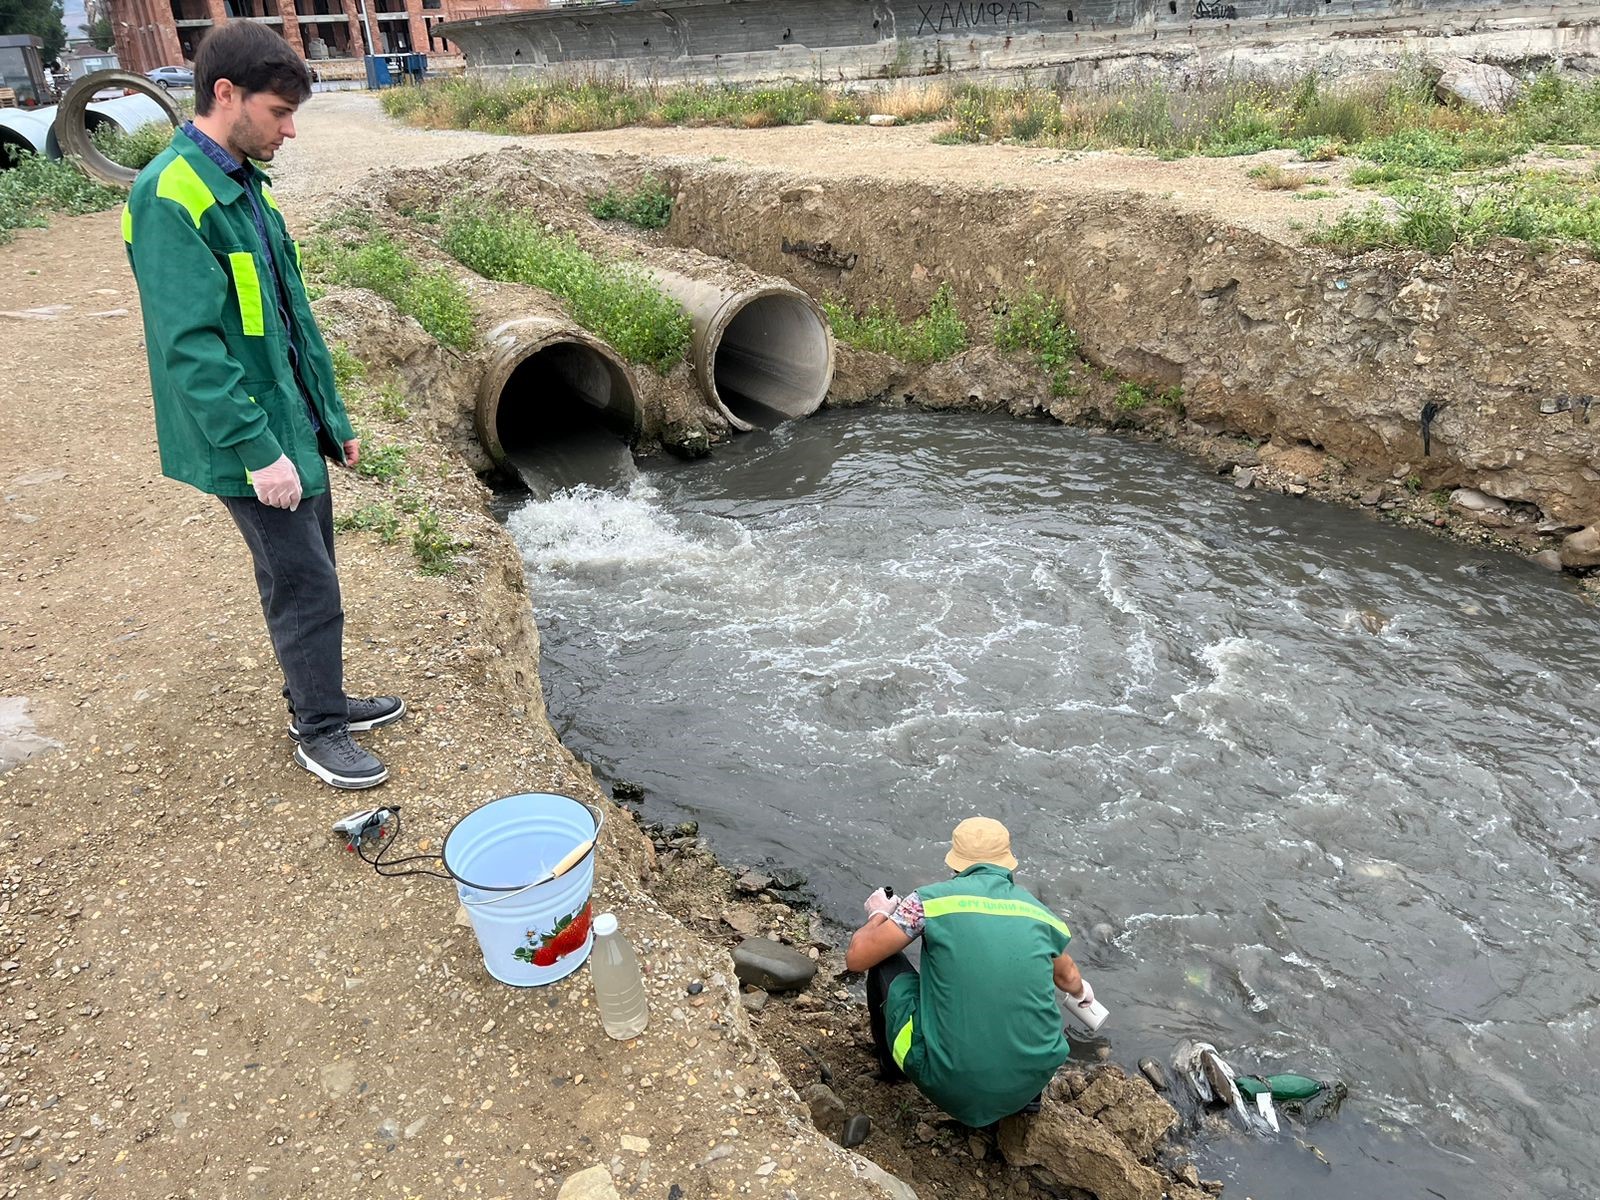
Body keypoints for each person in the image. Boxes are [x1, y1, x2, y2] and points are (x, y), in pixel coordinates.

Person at [122, 21, 402, 790]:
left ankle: (321, 695)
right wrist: (257, 450)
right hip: (248, 439)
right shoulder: (172, 195)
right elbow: (193, 351)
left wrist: (329, 422)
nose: (289, 128)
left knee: (311, 570)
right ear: (225, 94)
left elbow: (289, 320)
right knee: (304, 583)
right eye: (279, 112)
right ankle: (318, 730)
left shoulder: (244, 182)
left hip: (289, 424)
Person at [844, 816, 1095, 1128]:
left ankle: (894, 1070)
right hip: (1030, 1081)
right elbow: (1068, 977)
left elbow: (856, 958)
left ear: (955, 863)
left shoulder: (927, 902)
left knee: (883, 961)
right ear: (1008, 863)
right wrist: (1083, 993)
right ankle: (1024, 1100)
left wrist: (879, 913)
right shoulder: (1041, 915)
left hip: (949, 1082)